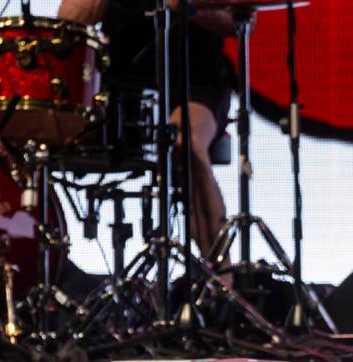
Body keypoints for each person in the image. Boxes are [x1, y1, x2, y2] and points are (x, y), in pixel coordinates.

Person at [58, 0, 235, 258]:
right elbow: (66, 25)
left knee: (186, 144)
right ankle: (34, 269)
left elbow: (236, 21)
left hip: (194, 82)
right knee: (41, 132)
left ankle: (221, 276)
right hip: (119, 88)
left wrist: (188, 7)